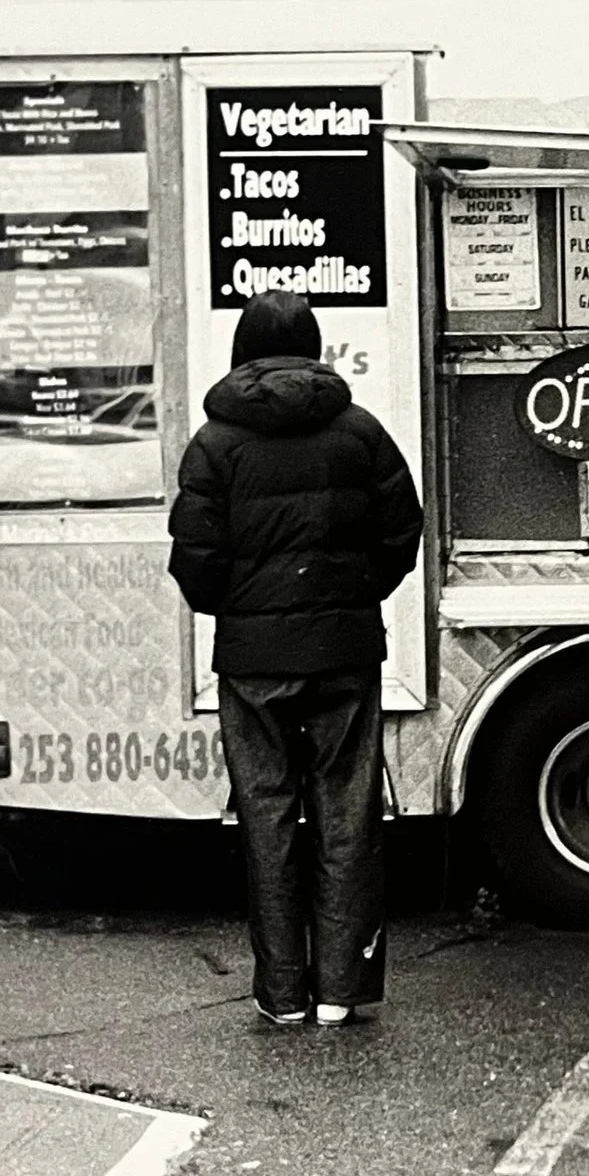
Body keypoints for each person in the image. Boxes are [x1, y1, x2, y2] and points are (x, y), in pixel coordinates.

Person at [167, 291, 423, 1027]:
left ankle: (282, 995)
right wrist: (353, 592)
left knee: (267, 817)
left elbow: (196, 561)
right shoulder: (360, 432)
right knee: (347, 812)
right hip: (344, 649)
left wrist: (242, 609)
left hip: (253, 659)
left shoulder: (215, 443)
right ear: (314, 346)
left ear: (242, 350)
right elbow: (401, 532)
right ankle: (342, 991)